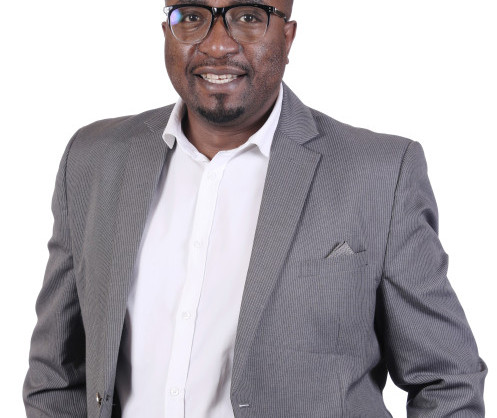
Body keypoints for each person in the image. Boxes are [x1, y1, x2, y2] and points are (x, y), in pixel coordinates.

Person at [23, 0, 487, 416]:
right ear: (167, 31)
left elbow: (447, 382)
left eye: (248, 16)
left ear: (288, 35)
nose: (217, 44)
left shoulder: (380, 174)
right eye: (192, 16)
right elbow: (56, 375)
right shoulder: (93, 160)